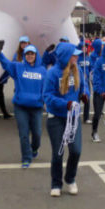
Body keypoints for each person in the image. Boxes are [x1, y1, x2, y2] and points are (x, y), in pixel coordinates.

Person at [43, 42, 87, 197]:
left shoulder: (78, 70)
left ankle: (70, 178)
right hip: (56, 118)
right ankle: (56, 183)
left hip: (73, 117)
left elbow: (83, 86)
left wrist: (84, 94)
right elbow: (47, 96)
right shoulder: (53, 73)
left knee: (76, 150)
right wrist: (65, 104)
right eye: (73, 55)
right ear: (64, 57)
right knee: (58, 153)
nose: (76, 57)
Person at [0, 40, 46, 168]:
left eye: (32, 53)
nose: (30, 56)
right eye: (27, 53)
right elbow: (5, 64)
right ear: (24, 55)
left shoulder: (42, 70)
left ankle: (34, 149)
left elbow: (46, 88)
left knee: (37, 134)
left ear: (36, 55)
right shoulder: (18, 67)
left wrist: (46, 101)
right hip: (21, 106)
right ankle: (26, 157)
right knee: (23, 133)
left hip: (36, 107)